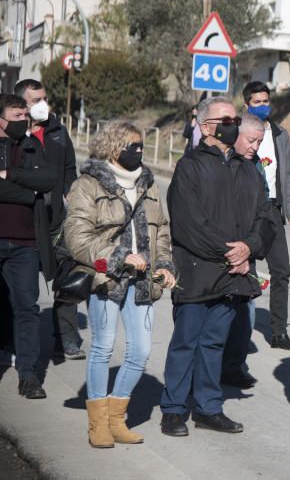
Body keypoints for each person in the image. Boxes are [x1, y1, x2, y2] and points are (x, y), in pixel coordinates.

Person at [159, 97, 275, 437]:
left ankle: (208, 407)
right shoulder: (190, 167)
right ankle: (174, 409)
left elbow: (265, 217)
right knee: (186, 343)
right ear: (206, 126)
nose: (232, 124)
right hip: (197, 271)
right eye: (225, 119)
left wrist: (250, 248)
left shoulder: (248, 170)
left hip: (233, 277)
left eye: (235, 119)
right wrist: (232, 253)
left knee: (214, 344)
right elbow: (188, 223)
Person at [63, 121, 177, 448]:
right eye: (133, 146)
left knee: (140, 351)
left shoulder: (148, 184)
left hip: (143, 282)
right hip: (106, 278)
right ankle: (98, 423)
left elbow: (163, 231)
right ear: (115, 147)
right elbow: (77, 237)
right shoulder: (88, 184)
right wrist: (120, 255)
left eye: (141, 146)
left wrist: (165, 264)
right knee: (103, 346)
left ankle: (117, 417)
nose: (139, 152)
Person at [14, 78, 83, 360]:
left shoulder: (57, 130)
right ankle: (12, 341)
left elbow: (70, 168)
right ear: (20, 104)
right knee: (22, 285)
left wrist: (69, 195)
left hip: (57, 218)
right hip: (24, 219)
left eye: (44, 98)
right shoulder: (11, 135)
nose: (43, 104)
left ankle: (66, 338)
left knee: (69, 276)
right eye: (36, 100)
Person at [0, 93, 56, 399]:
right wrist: (28, 191)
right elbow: (35, 192)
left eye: (25, 116)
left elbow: (48, 180)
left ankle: (29, 375)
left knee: (27, 308)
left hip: (25, 244)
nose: (24, 121)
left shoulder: (32, 145)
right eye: (17, 116)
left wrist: (12, 176)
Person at [243, 81, 290, 352]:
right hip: (245, 208)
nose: (263, 105)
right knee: (248, 272)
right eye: (257, 102)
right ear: (247, 105)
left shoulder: (280, 134)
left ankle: (279, 333)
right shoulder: (240, 133)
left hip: (272, 209)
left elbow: (286, 177)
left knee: (282, 270)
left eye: (265, 100)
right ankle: (241, 332)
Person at [221, 113, 268, 389]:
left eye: (259, 142)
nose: (255, 147)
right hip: (221, 251)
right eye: (251, 140)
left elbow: (264, 213)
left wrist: (250, 247)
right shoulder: (218, 163)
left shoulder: (255, 167)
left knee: (245, 311)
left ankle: (234, 365)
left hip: (246, 251)